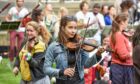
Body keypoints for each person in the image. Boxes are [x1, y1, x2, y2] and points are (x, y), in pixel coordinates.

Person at [43, 16, 99, 84]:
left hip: (79, 82)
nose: (73, 31)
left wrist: (98, 54)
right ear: (63, 28)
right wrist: (62, 72)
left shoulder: (80, 44)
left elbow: (86, 64)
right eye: (70, 27)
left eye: (75, 28)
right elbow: (46, 69)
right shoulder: (54, 46)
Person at [110, 13, 134, 84]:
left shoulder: (118, 33)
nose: (127, 24)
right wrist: (132, 52)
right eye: (127, 22)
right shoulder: (118, 35)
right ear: (122, 22)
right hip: (121, 68)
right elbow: (123, 56)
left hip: (122, 67)